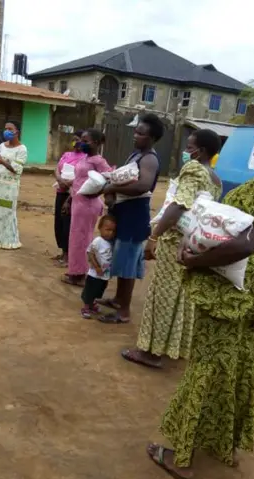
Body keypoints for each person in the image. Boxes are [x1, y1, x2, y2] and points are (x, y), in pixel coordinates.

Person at [147, 103, 254, 479]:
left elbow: (248, 243)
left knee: (207, 366)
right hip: (251, 284)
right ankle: (223, 446)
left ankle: (180, 457)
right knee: (235, 368)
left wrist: (194, 259)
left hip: (233, 288)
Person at [121, 129, 222, 368]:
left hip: (173, 242)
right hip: (192, 245)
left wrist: (155, 236)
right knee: (181, 296)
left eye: (189, 147)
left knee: (163, 295)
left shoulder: (194, 169)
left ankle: (150, 352)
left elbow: (179, 205)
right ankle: (170, 347)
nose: (186, 152)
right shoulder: (216, 179)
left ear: (202, 151)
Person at [97, 114, 164, 323]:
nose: (136, 135)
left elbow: (143, 185)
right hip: (124, 212)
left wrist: (113, 187)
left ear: (152, 138)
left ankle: (123, 311)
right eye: (136, 132)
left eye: (141, 134)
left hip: (134, 215)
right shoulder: (136, 155)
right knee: (122, 257)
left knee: (127, 262)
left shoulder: (149, 159)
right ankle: (118, 299)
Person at [62, 129, 112, 286]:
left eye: (85, 141)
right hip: (78, 202)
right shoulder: (85, 158)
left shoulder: (98, 161)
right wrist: (69, 200)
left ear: (96, 143)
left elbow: (110, 179)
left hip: (88, 205)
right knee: (75, 238)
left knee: (83, 239)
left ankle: (81, 274)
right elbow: (78, 180)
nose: (81, 143)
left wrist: (97, 192)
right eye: (81, 140)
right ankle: (75, 270)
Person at [0, 120, 27, 249]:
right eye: (5, 128)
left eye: (10, 129)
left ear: (17, 132)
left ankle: (8, 240)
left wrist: (2, 161)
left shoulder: (22, 149)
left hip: (10, 185)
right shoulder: (1, 146)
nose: (7, 131)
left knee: (6, 211)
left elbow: (17, 170)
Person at [53, 130, 85, 266]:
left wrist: (70, 183)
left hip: (73, 194)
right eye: (74, 139)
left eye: (79, 139)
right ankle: (62, 251)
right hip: (61, 191)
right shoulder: (67, 155)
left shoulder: (86, 158)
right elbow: (56, 169)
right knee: (59, 222)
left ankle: (68, 255)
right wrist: (59, 179)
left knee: (68, 223)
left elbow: (83, 175)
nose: (76, 142)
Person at [81, 215, 116, 319]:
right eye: (107, 229)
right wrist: (96, 267)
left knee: (99, 289)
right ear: (100, 228)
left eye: (113, 231)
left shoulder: (111, 242)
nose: (110, 233)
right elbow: (90, 253)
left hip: (104, 273)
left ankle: (92, 304)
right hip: (94, 274)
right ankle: (86, 307)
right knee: (90, 290)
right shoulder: (98, 241)